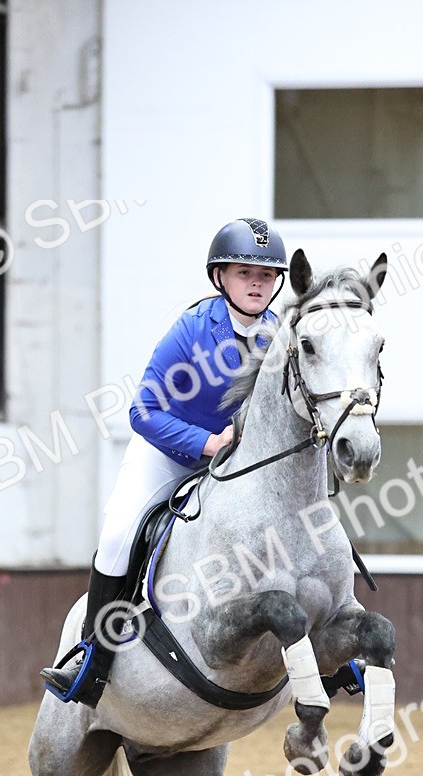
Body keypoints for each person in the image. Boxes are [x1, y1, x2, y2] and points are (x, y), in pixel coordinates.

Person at [41, 217, 288, 707]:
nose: (257, 283)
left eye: (266, 275)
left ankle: (330, 656)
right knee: (116, 536)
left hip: (234, 466)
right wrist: (207, 443)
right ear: (220, 278)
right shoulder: (192, 329)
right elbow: (142, 411)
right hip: (169, 455)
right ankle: (91, 658)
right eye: (245, 273)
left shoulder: (279, 337)